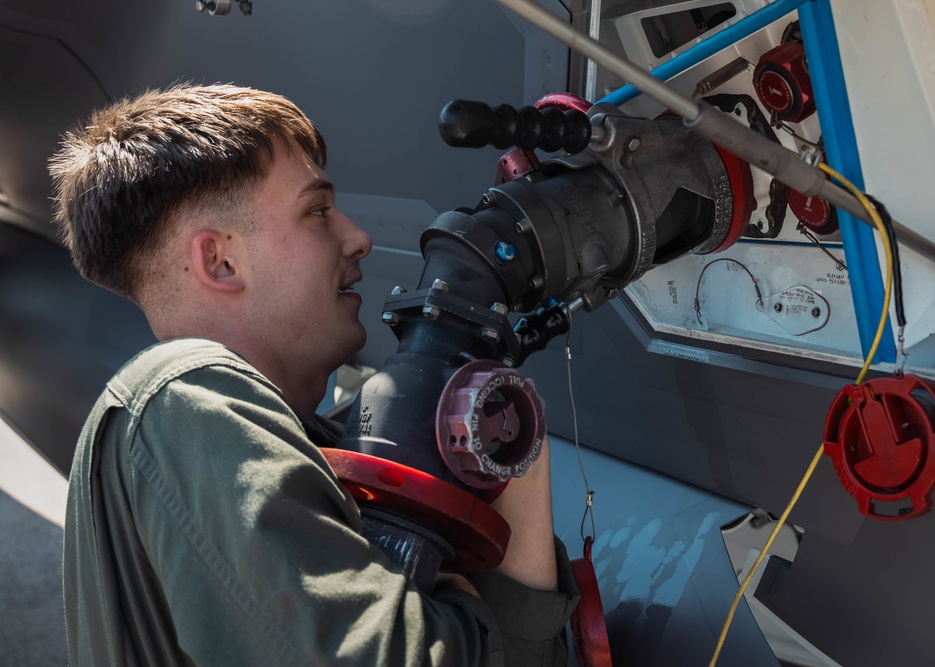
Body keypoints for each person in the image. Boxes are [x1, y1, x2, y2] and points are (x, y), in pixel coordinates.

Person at [50, 83, 579, 666]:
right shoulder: (181, 395)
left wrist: (510, 450)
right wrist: (458, 601)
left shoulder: (306, 443)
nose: (358, 238)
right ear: (220, 261)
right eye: (318, 211)